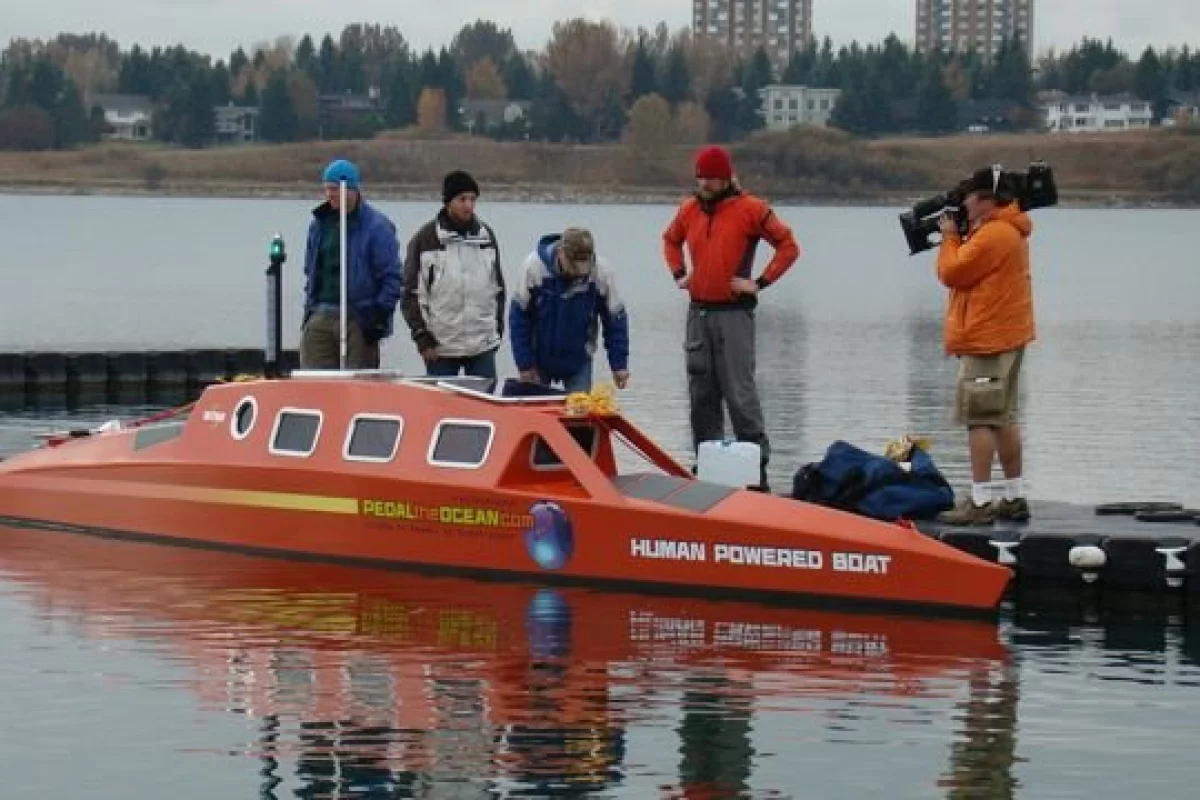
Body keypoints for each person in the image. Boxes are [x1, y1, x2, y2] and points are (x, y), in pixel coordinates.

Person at [662, 145, 800, 492]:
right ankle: (707, 467)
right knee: (701, 394)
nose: (704, 183)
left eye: (710, 177)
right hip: (698, 314)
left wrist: (759, 283)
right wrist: (680, 273)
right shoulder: (688, 209)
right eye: (701, 177)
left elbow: (788, 246)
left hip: (734, 315)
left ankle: (756, 467)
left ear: (726, 178)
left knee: (740, 393)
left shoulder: (752, 210)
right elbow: (670, 240)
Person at [935, 165, 1036, 524]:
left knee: (978, 419)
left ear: (986, 199)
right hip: (1006, 334)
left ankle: (979, 502)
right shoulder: (1008, 230)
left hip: (987, 339)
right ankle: (1013, 495)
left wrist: (949, 237)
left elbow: (953, 272)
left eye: (968, 196)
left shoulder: (994, 234)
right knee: (1003, 417)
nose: (963, 203)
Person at [401, 170, 504, 379]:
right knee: (438, 409)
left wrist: (497, 332)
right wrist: (422, 339)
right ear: (448, 202)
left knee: (484, 409)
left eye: (473, 199)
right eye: (462, 199)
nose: (468, 205)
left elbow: (498, 288)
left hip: (482, 346)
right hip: (441, 348)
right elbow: (411, 294)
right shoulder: (425, 239)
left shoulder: (486, 237)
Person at [300, 159, 402, 369]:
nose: (330, 194)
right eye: (327, 189)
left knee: (358, 383)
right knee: (314, 379)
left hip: (359, 316)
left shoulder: (377, 227)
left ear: (351, 189)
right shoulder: (318, 225)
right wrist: (309, 309)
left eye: (335, 189)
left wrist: (379, 315)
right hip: (321, 311)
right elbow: (310, 270)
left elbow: (392, 276)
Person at [509, 227, 630, 393]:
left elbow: (615, 320)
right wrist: (524, 364)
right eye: (574, 265)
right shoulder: (533, 267)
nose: (579, 271)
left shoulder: (601, 272)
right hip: (537, 359)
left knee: (580, 415)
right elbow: (518, 318)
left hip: (579, 361)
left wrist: (619, 365)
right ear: (561, 252)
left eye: (584, 265)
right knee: (534, 413)